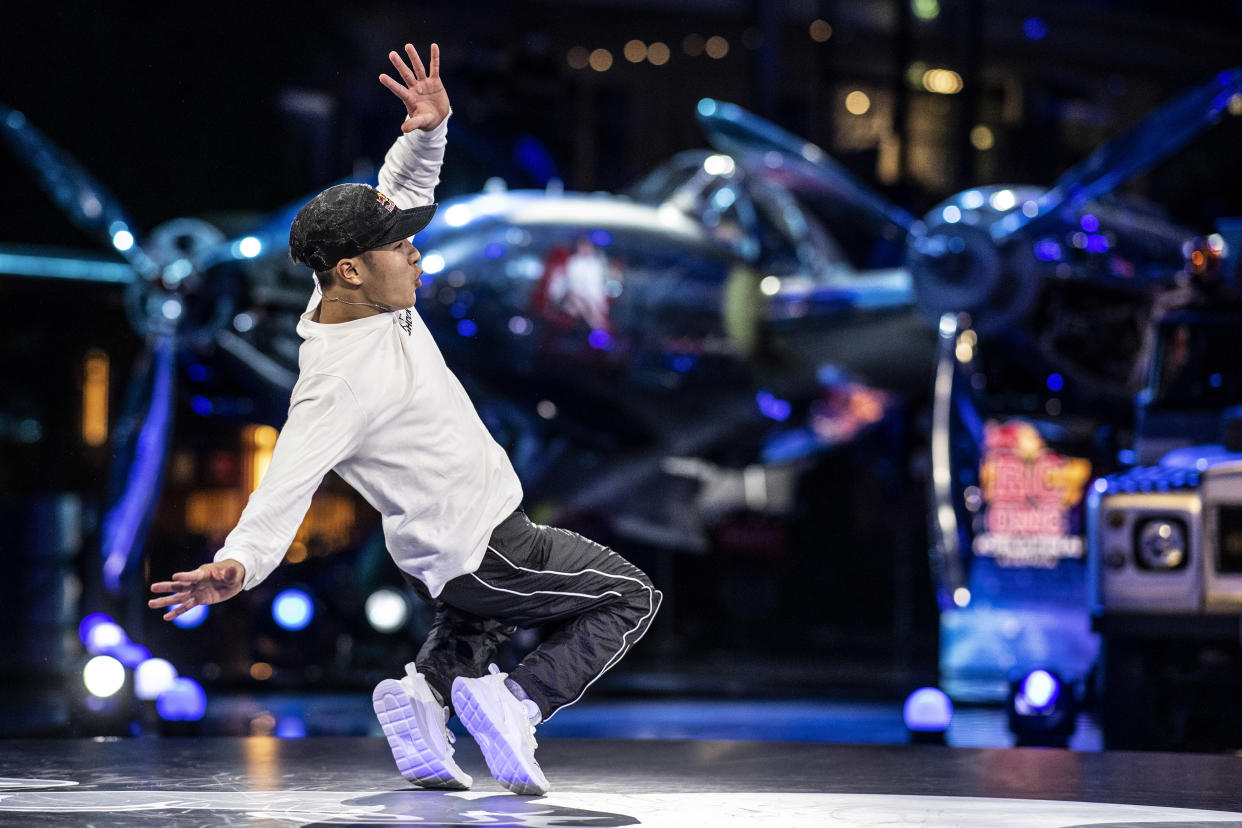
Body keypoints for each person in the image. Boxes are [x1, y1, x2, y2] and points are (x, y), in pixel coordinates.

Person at [148, 41, 661, 797]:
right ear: (351, 268)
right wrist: (240, 564)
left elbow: (398, 189)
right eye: (402, 248)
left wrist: (427, 129)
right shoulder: (340, 380)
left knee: (472, 626)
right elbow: (288, 479)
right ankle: (519, 703)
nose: (418, 256)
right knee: (629, 596)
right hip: (490, 544)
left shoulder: (361, 299)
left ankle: (422, 702)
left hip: (440, 556)